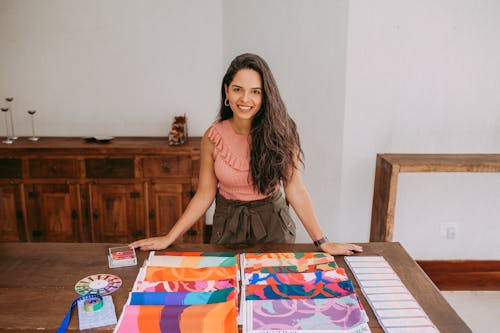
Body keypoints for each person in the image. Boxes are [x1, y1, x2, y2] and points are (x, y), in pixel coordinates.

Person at [129, 53, 363, 255]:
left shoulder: (282, 132)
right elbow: (204, 194)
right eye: (238, 89)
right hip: (227, 224)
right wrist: (169, 238)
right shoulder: (213, 136)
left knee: (270, 294)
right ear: (226, 91)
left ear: (265, 96)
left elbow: (295, 189)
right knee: (228, 294)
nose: (245, 99)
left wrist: (322, 241)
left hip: (272, 223)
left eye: (255, 92)